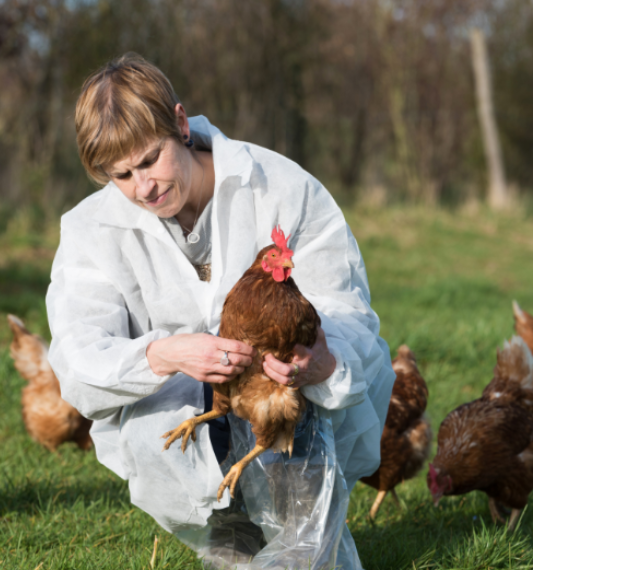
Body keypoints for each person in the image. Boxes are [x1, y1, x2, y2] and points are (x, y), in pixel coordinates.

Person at [47, 53, 396, 569]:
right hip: (183, 409)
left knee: (293, 436)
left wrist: (323, 361)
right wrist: (162, 355)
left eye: (150, 160)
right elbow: (77, 359)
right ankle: (234, 548)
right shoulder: (89, 230)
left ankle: (303, 552)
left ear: (181, 125)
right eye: (120, 175)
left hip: (288, 409)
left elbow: (346, 308)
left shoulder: (280, 187)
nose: (143, 186)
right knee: (188, 454)